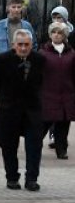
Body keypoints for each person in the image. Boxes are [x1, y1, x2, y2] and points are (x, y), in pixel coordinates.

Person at [0, 29, 45, 191]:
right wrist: (8, 97)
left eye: (26, 45)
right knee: (9, 145)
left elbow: (41, 82)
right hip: (9, 108)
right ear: (13, 45)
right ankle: (12, 177)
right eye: (20, 44)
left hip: (32, 109)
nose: (23, 48)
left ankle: (32, 179)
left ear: (31, 45)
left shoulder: (40, 60)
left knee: (34, 145)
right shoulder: (2, 60)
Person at [40, 23, 75, 160]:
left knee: (63, 125)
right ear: (50, 35)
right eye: (53, 32)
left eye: (60, 32)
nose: (56, 35)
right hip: (48, 94)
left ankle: (61, 149)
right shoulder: (43, 53)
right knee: (43, 123)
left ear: (65, 36)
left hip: (66, 95)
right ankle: (34, 146)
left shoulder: (72, 54)